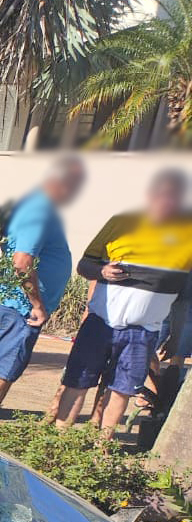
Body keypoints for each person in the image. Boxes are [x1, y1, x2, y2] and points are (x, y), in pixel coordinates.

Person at [54, 168, 192, 439]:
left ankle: (102, 447)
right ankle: (60, 443)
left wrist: (176, 338)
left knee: (123, 390)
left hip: (142, 332)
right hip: (100, 323)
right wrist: (102, 271)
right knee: (77, 382)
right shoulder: (121, 222)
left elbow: (184, 296)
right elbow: (85, 265)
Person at [0, 156, 86, 429]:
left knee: (8, 367)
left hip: (16, 303)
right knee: (5, 369)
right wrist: (36, 304)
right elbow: (22, 262)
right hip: (22, 308)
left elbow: (7, 244)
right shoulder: (39, 211)